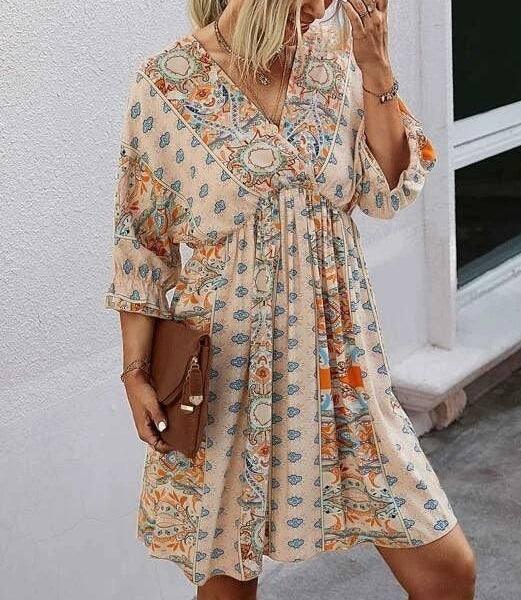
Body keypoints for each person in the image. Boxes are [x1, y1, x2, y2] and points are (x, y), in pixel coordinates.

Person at [104, 1, 477, 598]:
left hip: (342, 369)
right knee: (227, 581)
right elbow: (142, 245)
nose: (321, 10)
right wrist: (135, 372)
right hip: (226, 374)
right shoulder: (167, 84)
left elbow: (386, 191)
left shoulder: (336, 65)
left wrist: (377, 70)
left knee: (448, 571)